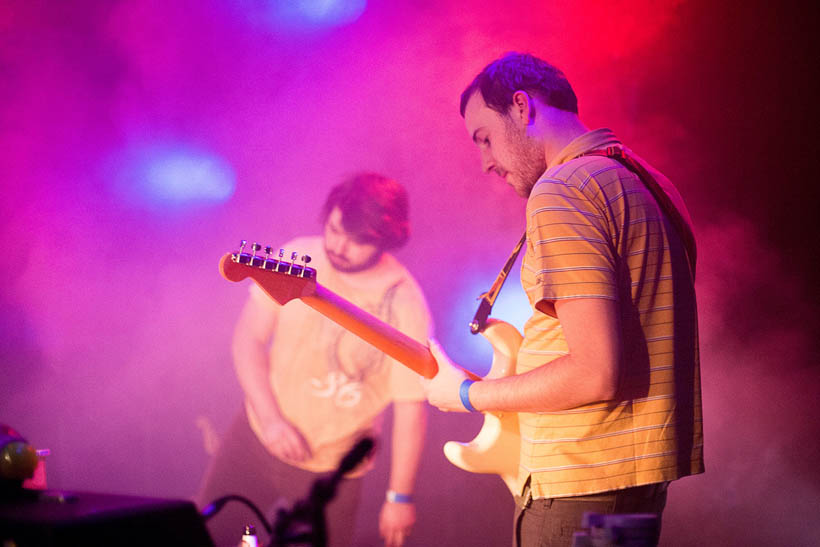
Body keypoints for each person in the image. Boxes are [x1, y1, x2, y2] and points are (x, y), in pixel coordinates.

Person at [423, 52, 704, 546]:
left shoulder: (563, 189)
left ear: (521, 106)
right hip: (634, 487)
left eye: (485, 138)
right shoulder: (655, 185)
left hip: (579, 489)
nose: (485, 162)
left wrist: (466, 396)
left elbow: (594, 372)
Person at [198, 173, 432, 547]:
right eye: (335, 229)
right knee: (208, 535)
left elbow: (410, 408)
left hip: (332, 470)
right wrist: (272, 421)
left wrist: (399, 497)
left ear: (387, 239)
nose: (339, 246)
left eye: (357, 241)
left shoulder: (404, 303)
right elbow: (249, 341)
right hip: (255, 437)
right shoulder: (297, 256)